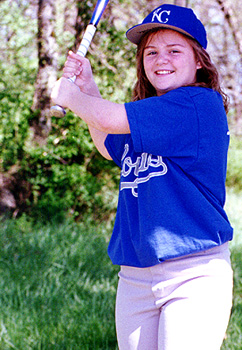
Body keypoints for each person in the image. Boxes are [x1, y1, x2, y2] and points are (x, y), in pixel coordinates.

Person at [51, 4, 234, 350]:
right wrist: (88, 90)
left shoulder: (198, 104)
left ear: (199, 60)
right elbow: (109, 144)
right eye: (151, 51)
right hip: (135, 276)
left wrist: (72, 97)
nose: (161, 58)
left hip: (193, 272)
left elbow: (110, 118)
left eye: (174, 50)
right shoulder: (148, 115)